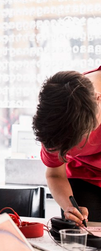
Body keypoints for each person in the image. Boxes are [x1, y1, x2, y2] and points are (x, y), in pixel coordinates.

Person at [32, 67, 101, 223]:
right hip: (83, 179)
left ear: (98, 99)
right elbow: (55, 174)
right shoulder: (54, 125)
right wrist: (69, 207)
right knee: (83, 236)